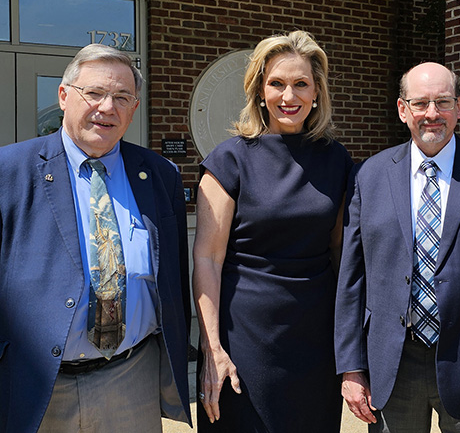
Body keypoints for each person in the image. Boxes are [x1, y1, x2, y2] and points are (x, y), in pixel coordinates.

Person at [335, 62, 460, 433]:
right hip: (393, 365)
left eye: (443, 102)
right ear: (402, 109)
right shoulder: (370, 175)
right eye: (421, 103)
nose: (432, 114)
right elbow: (353, 276)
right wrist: (351, 367)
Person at [0, 44, 192, 433]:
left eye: (122, 97)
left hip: (130, 379)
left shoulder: (159, 174)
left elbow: (173, 277)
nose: (108, 107)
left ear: (134, 108)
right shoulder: (10, 171)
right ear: (64, 96)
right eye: (95, 93)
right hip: (38, 384)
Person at [192, 30, 352, 432]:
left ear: (317, 92)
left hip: (315, 342)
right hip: (243, 339)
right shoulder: (228, 160)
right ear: (259, 92)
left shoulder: (336, 161)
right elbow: (207, 259)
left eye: (301, 84)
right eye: (276, 83)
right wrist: (212, 349)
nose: (289, 96)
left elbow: (340, 255)